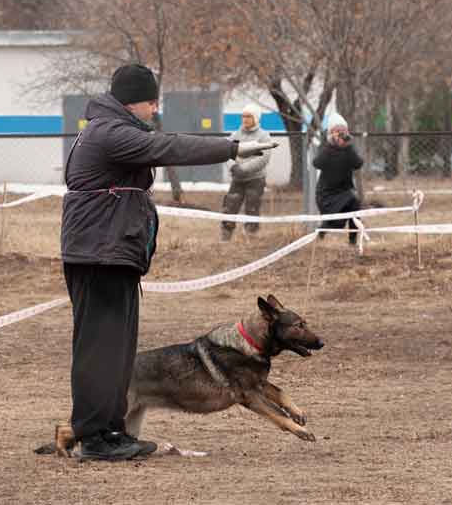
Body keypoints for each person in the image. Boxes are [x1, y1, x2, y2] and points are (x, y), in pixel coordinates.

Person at [60, 64, 276, 461]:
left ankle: (110, 430)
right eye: (151, 101)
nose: (155, 108)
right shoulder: (110, 132)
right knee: (99, 349)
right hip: (99, 256)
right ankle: (92, 437)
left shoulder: (111, 128)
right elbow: (167, 146)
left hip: (111, 254)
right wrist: (230, 148)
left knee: (117, 350)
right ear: (132, 101)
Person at [220, 104, 272, 241]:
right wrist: (233, 167)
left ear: (256, 118)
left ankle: (251, 237)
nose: (245, 119)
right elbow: (226, 152)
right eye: (243, 116)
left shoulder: (263, 136)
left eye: (248, 116)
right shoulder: (236, 135)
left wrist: (244, 169)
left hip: (256, 179)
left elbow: (263, 159)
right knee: (229, 206)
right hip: (237, 179)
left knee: (252, 207)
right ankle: (225, 237)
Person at [312, 113, 363, 245]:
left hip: (344, 192)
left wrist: (347, 146)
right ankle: (321, 232)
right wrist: (331, 145)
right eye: (337, 131)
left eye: (343, 130)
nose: (341, 133)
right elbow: (317, 163)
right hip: (326, 194)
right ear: (331, 132)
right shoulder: (325, 147)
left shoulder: (348, 148)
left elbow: (358, 164)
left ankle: (352, 241)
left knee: (355, 205)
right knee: (336, 223)